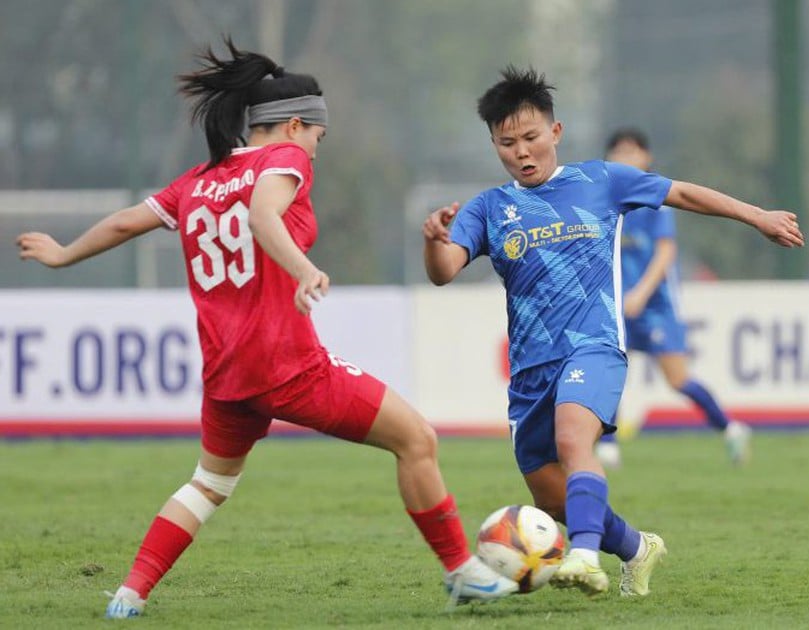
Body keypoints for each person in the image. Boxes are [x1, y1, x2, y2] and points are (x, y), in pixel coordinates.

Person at [15, 39, 516, 619]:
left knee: (208, 484)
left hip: (228, 377)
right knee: (417, 440)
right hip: (288, 367)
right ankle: (460, 571)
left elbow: (129, 221)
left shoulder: (200, 178)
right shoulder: (284, 161)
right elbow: (260, 215)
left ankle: (129, 594)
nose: (316, 152)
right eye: (317, 138)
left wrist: (63, 255)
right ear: (295, 125)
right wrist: (303, 269)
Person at [423, 66, 803, 598]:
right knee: (553, 499)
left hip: (594, 347)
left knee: (574, 440)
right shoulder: (489, 209)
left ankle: (581, 557)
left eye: (531, 137)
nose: (522, 152)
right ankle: (636, 549)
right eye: (507, 143)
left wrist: (755, 214)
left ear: (555, 133)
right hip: (530, 371)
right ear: (494, 145)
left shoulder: (601, 179)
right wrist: (433, 240)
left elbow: (682, 194)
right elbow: (443, 271)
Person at [594, 127, 751, 470]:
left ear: (646, 158)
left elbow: (665, 253)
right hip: (616, 306)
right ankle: (607, 444)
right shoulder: (604, 201)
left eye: (632, 152)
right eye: (617, 153)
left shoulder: (655, 200)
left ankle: (730, 428)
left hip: (654, 306)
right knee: (609, 371)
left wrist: (640, 294)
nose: (625, 159)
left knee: (678, 379)